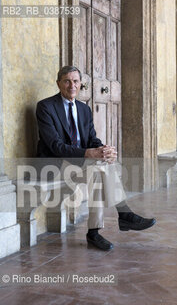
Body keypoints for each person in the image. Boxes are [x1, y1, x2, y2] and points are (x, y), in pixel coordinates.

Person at [36, 65, 156, 251]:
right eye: (67, 81)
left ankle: (97, 231)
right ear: (58, 83)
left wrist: (102, 149)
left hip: (79, 165)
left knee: (101, 166)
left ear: (80, 83)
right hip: (54, 165)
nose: (72, 85)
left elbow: (91, 138)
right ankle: (118, 218)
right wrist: (88, 153)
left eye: (75, 81)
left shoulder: (84, 109)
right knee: (99, 168)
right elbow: (55, 146)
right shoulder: (45, 107)